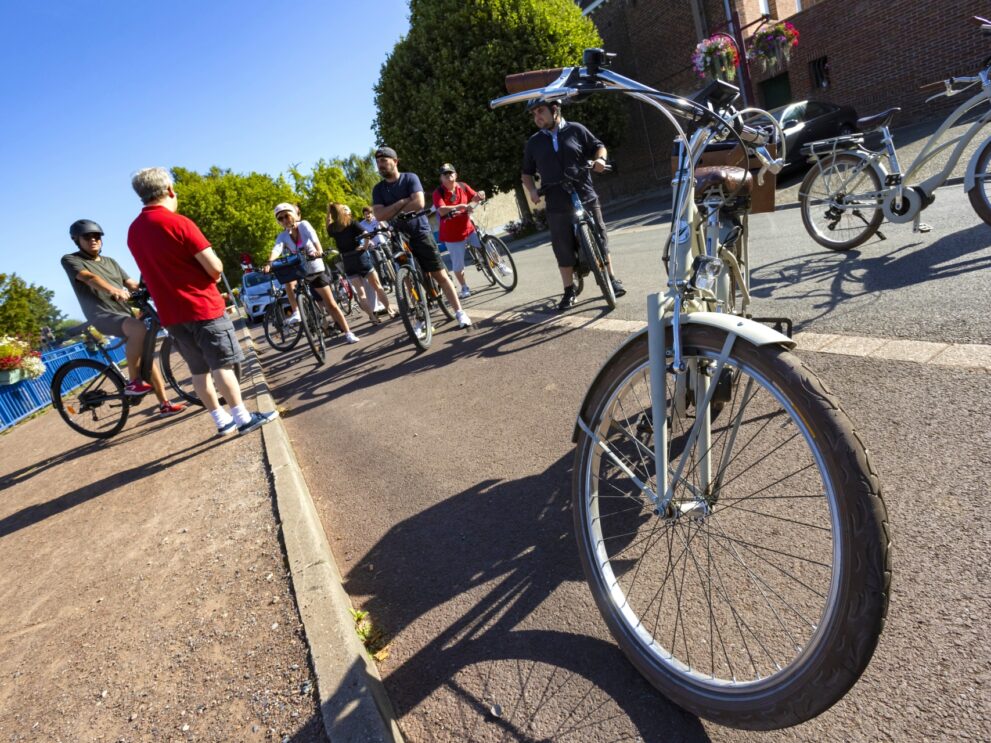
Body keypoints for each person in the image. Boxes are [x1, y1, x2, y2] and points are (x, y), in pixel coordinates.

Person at [126, 167, 277, 436]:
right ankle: (242, 418)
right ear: (170, 190)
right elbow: (214, 267)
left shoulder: (134, 232)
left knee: (199, 370)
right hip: (201, 306)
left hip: (172, 315)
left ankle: (221, 421)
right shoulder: (179, 222)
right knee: (222, 364)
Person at [61, 219, 187, 417]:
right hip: (102, 315)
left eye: (97, 236)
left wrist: (154, 289)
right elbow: (88, 278)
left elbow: (131, 284)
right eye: (87, 237)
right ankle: (133, 382)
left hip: (124, 314)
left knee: (147, 356)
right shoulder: (71, 259)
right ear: (77, 240)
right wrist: (113, 289)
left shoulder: (110, 262)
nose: (93, 240)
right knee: (138, 329)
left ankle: (164, 404)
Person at [520, 99, 626, 310]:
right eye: (533, 114)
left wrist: (601, 161)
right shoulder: (534, 142)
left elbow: (598, 147)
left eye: (540, 111)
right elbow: (526, 173)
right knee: (562, 245)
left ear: (554, 109)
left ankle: (611, 279)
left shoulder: (576, 129)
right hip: (556, 199)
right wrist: (532, 190)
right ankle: (569, 290)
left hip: (584, 193)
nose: (537, 117)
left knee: (599, 234)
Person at [371, 146, 472, 331]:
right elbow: (379, 215)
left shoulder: (410, 178)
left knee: (439, 274)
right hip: (398, 237)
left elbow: (419, 202)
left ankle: (459, 312)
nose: (381, 165)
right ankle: (421, 318)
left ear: (395, 161)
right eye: (378, 162)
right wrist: (402, 202)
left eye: (384, 161)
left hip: (420, 232)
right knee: (407, 278)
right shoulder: (378, 189)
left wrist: (391, 210)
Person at [267, 203, 359, 344]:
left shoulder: (303, 225)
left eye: (287, 215)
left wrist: (319, 250)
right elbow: (277, 248)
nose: (285, 219)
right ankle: (298, 311)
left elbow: (313, 236)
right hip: (300, 271)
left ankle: (348, 333)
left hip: (315, 269)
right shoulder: (283, 236)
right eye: (280, 218)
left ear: (293, 214)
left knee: (331, 304)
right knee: (288, 282)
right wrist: (269, 262)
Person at [326, 203, 395, 324]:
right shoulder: (350, 222)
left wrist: (328, 213)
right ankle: (390, 310)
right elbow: (366, 234)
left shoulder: (333, 228)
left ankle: (373, 318)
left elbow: (328, 225)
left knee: (361, 293)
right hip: (360, 257)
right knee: (377, 286)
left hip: (347, 260)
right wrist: (365, 246)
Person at [432, 163, 486, 299]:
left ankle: (498, 265)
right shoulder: (438, 193)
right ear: (441, 178)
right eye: (445, 174)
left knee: (485, 245)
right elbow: (441, 210)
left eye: (451, 173)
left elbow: (474, 198)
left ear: (455, 175)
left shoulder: (462, 186)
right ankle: (464, 287)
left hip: (468, 227)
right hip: (452, 235)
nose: (448, 176)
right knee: (458, 265)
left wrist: (480, 195)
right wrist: (459, 206)